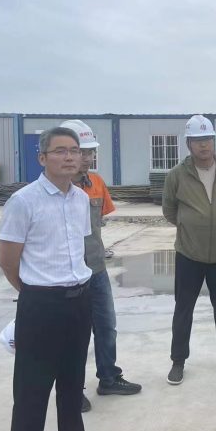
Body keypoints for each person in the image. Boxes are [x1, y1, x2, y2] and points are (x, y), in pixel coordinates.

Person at [0, 126, 107, 431]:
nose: (70, 157)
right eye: (61, 151)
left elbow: (77, 250)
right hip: (41, 305)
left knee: (72, 382)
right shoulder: (23, 201)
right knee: (32, 389)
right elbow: (8, 261)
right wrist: (35, 293)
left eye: (75, 151)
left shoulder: (80, 199)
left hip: (79, 302)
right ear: (42, 158)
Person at [60, 120, 142, 413]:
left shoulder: (96, 184)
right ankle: (72, 389)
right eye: (82, 151)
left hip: (95, 269)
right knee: (73, 334)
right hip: (66, 275)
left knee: (106, 327)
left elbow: (99, 223)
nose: (86, 157)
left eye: (90, 152)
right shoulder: (55, 189)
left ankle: (109, 377)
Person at [163, 115, 216, 385]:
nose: (204, 145)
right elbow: (169, 209)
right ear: (188, 144)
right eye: (198, 140)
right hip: (189, 253)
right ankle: (178, 360)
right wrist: (190, 225)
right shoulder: (177, 175)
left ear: (214, 140)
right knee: (184, 308)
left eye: (208, 139)